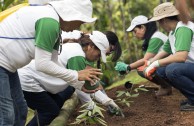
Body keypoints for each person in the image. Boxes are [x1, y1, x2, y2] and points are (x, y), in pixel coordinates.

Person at [0, 0, 102, 125]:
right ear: (71, 15)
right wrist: (76, 75)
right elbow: (42, 64)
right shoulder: (49, 22)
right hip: (2, 63)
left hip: (9, 67)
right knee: (7, 114)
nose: (78, 27)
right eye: (80, 22)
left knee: (20, 109)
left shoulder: (54, 25)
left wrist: (80, 84)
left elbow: (53, 63)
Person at [18, 30, 122, 125]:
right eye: (99, 55)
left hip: (36, 79)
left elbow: (86, 84)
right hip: (29, 80)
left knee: (56, 103)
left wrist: (106, 100)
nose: (97, 58)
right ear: (90, 46)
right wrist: (103, 103)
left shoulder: (77, 49)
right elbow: (83, 87)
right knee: (50, 111)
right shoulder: (77, 56)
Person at [144, 2, 194, 111]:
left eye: (159, 22)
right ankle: (192, 98)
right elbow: (165, 51)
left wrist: (156, 63)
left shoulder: (183, 28)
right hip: (191, 67)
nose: (160, 25)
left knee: (172, 70)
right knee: (161, 70)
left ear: (164, 20)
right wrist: (150, 63)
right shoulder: (173, 32)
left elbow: (181, 57)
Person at [114, 15, 170, 96]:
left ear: (142, 28)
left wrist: (128, 67)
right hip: (167, 64)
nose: (134, 34)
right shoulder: (153, 37)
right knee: (142, 68)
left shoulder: (156, 38)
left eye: (135, 31)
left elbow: (146, 60)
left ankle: (166, 87)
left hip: (171, 65)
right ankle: (165, 85)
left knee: (142, 69)